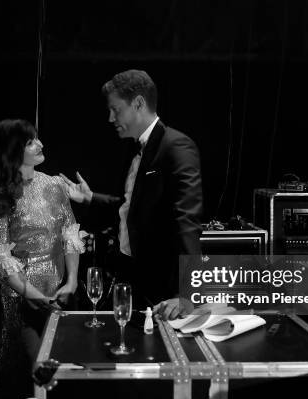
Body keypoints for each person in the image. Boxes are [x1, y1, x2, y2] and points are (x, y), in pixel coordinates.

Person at [60, 69, 202, 320]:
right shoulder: (134, 148)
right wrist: (90, 198)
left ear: (138, 103)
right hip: (131, 274)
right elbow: (130, 207)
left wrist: (187, 292)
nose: (110, 118)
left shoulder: (177, 146)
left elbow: (186, 222)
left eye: (116, 109)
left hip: (161, 285)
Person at [0, 118, 85, 399]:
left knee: (67, 374)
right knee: (38, 373)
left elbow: (70, 234)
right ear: (14, 151)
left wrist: (72, 281)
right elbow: (2, 260)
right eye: (30, 142)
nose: (39, 144)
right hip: (22, 300)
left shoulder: (53, 184)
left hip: (61, 295)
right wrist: (33, 294)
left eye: (37, 139)